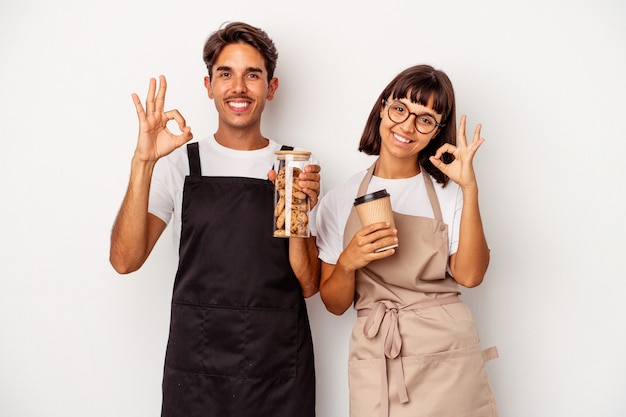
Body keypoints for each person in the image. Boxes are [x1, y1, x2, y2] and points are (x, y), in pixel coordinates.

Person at [109, 22, 320, 417]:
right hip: (196, 370)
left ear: (271, 88)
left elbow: (309, 285)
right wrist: (143, 162)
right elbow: (125, 260)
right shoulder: (180, 164)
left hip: (276, 371)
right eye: (226, 74)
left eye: (252, 75)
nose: (238, 87)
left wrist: (301, 212)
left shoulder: (294, 169)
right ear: (208, 85)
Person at [315, 65, 498, 417]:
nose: (407, 127)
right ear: (382, 108)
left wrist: (469, 188)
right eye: (400, 109)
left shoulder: (450, 195)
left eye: (425, 119)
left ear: (436, 131)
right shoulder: (341, 199)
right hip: (378, 353)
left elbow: (471, 276)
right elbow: (335, 304)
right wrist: (349, 261)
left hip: (446, 355)